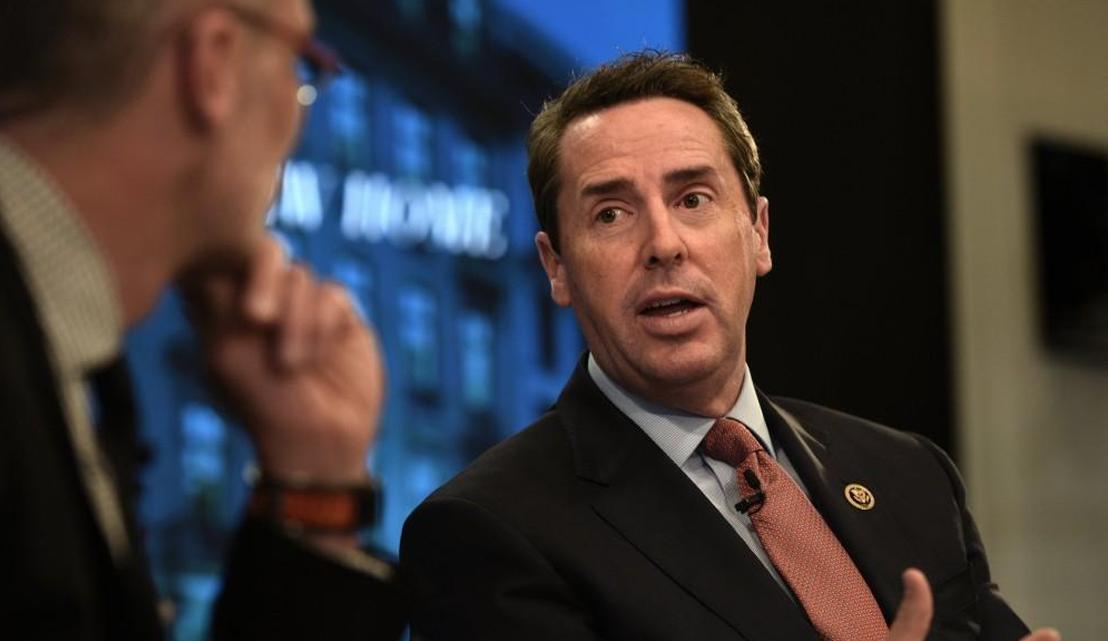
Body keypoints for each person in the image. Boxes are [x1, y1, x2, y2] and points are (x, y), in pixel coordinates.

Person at [400, 52, 1060, 641]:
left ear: (759, 233)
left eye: (693, 199)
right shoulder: (487, 531)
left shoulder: (910, 474)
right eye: (611, 214)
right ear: (558, 268)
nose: (664, 244)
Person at [0, 1, 403, 639]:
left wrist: (316, 478)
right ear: (214, 62)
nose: (299, 113)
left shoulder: (53, 351)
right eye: (301, 64)